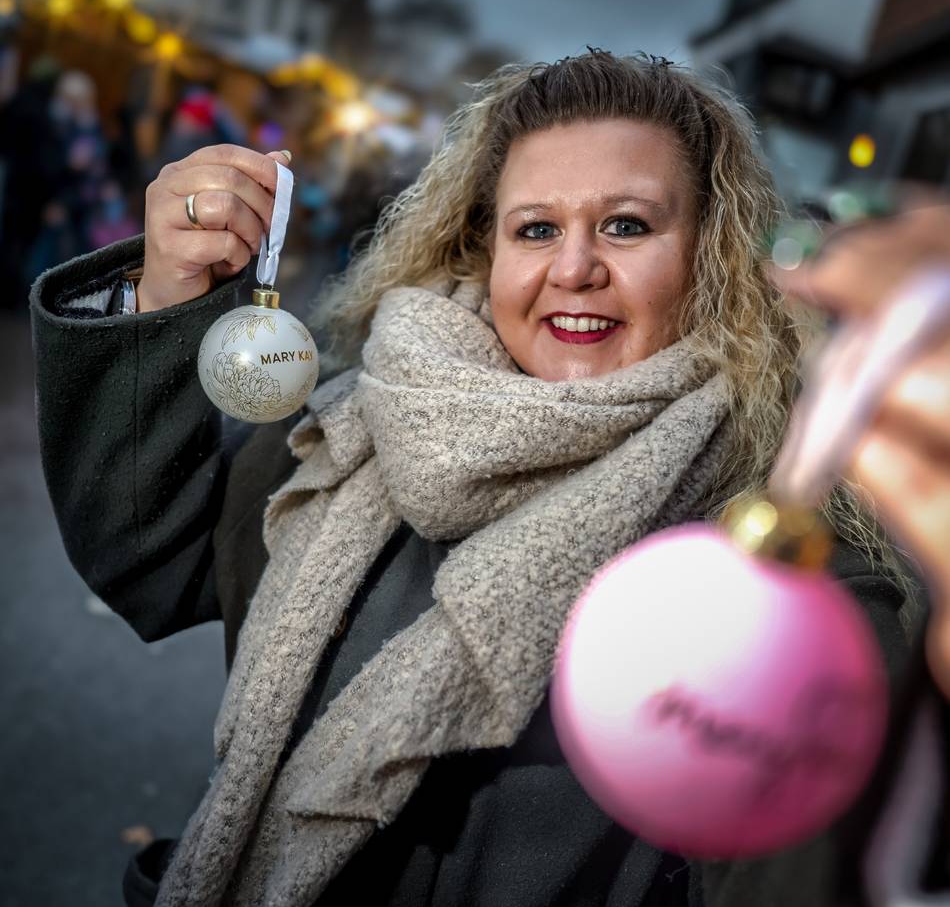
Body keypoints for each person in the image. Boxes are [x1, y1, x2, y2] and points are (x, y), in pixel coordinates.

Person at [29, 50, 938, 906]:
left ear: (713, 258)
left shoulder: (783, 557)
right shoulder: (353, 431)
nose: (574, 268)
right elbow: (148, 554)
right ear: (484, 250)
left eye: (626, 226)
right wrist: (163, 294)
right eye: (536, 228)